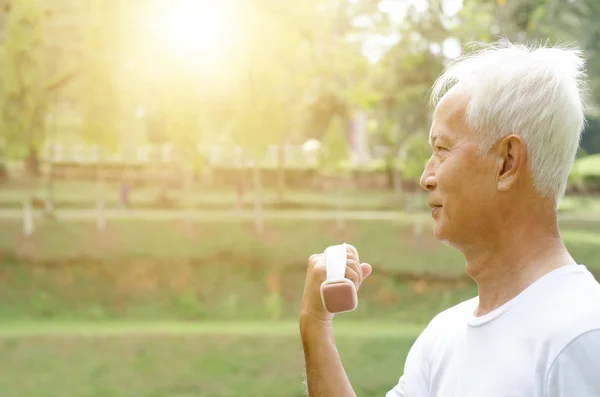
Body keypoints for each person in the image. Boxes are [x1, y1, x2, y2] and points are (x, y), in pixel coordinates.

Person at [300, 40, 600, 397]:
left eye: (442, 149)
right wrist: (315, 327)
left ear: (506, 161)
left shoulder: (582, 337)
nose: (426, 176)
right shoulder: (443, 337)